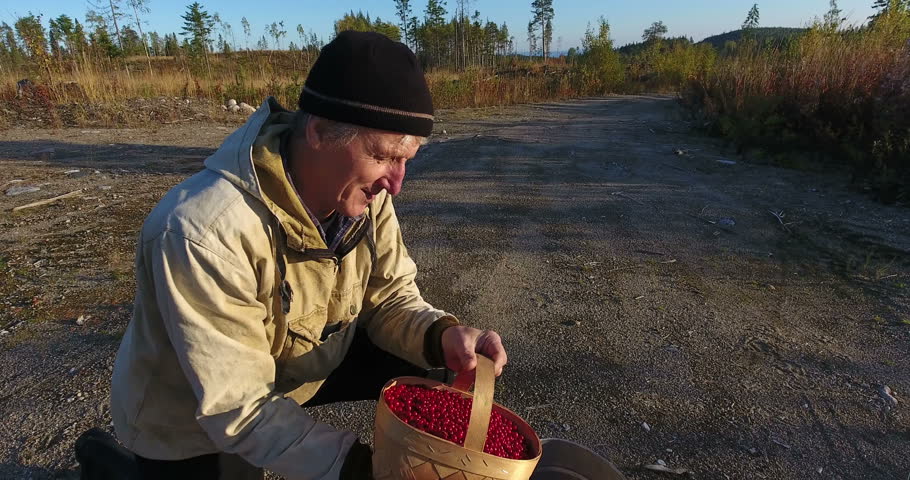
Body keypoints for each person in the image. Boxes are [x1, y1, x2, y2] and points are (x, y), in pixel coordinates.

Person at [76, 31, 508, 480]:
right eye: (383, 157)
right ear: (319, 131)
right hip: (192, 414)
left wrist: (441, 335)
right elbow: (237, 406)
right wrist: (362, 469)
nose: (395, 184)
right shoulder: (201, 232)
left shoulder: (365, 196)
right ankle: (104, 459)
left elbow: (391, 295)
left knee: (438, 366)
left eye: (407, 161)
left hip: (299, 362)